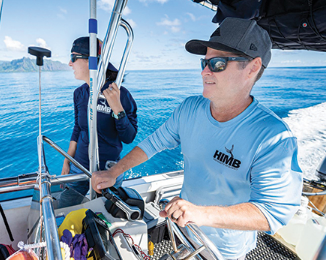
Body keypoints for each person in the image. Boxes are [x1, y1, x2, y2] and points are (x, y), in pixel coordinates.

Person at [91, 18, 302, 259]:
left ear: (253, 67)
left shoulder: (273, 136)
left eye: (218, 63)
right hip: (184, 230)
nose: (204, 71)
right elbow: (154, 143)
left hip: (224, 250)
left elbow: (274, 211)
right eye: (204, 62)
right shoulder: (189, 108)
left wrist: (201, 213)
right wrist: (114, 171)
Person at [59, 36, 138, 208]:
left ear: (91, 61)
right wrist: (67, 161)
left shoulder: (120, 94)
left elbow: (129, 137)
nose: (70, 63)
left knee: (103, 214)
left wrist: (117, 108)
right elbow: (78, 128)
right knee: (64, 209)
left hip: (109, 172)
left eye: (73, 57)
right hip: (79, 167)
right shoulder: (79, 94)